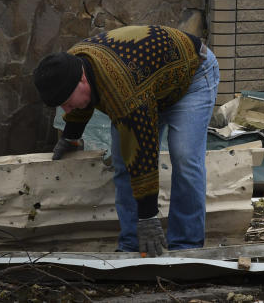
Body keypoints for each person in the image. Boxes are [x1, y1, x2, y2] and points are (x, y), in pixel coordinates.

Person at [32, 24, 218, 256]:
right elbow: (81, 102)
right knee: (121, 164)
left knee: (185, 157)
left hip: (192, 76)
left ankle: (186, 246)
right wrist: (71, 135)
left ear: (82, 80)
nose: (65, 108)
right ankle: (132, 244)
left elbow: (143, 154)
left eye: (66, 103)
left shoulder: (122, 89)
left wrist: (148, 215)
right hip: (148, 83)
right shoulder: (69, 64)